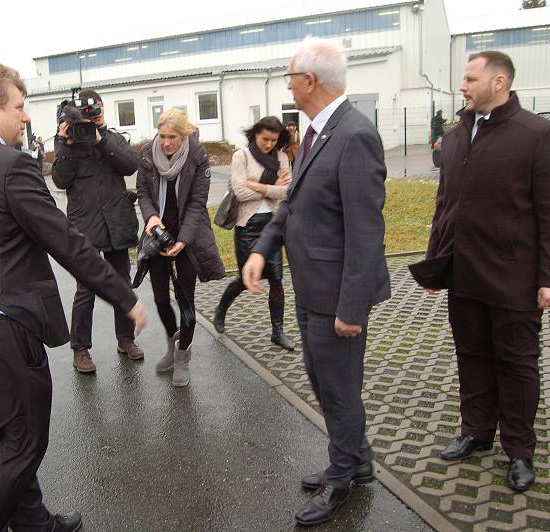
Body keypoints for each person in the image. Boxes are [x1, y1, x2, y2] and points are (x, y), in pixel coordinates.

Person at [0, 64, 147, 532]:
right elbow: (66, 239)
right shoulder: (10, 165)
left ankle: (36, 523)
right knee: (23, 446)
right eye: (19, 107)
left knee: (6, 440)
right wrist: (124, 296)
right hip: (3, 330)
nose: (24, 118)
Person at [243, 38, 390, 526]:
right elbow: (294, 207)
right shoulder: (314, 133)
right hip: (312, 288)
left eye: (289, 75)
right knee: (325, 382)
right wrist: (263, 250)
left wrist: (352, 308)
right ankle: (358, 459)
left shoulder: (354, 135)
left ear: (309, 81)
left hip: (336, 299)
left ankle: (342, 475)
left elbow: (367, 233)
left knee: (338, 389)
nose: (286, 83)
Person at [414, 51, 550, 492]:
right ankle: (476, 431)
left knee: (516, 364)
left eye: (470, 78)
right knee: (471, 356)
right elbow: (445, 207)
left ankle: (520, 450)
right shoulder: (456, 138)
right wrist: (438, 263)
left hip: (515, 276)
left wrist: (547, 276)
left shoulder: (536, 134)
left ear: (500, 82)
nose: (462, 86)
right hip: (464, 274)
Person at [52, 88, 143, 373]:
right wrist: (67, 144)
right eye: (89, 110)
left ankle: (125, 339)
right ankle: (81, 349)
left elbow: (130, 166)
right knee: (86, 288)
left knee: (121, 283)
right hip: (86, 225)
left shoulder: (112, 137)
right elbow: (60, 180)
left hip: (116, 222)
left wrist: (101, 140)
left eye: (98, 107)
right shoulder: (68, 142)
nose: (95, 113)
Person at [136, 108, 225, 387]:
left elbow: (197, 204)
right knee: (161, 298)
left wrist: (183, 240)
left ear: (184, 134)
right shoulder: (148, 154)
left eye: (172, 137)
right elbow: (143, 193)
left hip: (189, 236)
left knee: (185, 301)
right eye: (162, 136)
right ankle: (173, 343)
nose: (166, 142)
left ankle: (183, 357)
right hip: (158, 233)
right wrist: (151, 218)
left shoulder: (197, 157)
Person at [213, 116, 295, 350]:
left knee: (277, 279)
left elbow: (287, 191)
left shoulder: (281, 157)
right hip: (247, 226)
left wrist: (256, 185)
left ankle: (277, 331)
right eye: (265, 139)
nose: (269, 144)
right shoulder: (242, 156)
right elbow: (239, 192)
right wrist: (271, 187)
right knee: (245, 279)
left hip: (273, 224)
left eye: (274, 140)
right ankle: (221, 309)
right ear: (255, 134)